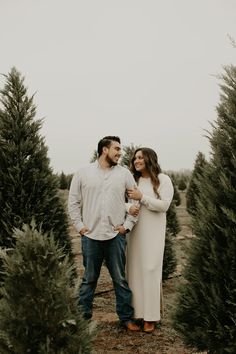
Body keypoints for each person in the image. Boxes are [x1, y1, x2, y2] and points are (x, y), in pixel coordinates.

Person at [68, 136, 140, 331]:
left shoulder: (124, 174)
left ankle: (126, 318)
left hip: (115, 236)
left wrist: (127, 226)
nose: (120, 153)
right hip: (90, 236)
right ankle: (82, 319)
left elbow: (135, 201)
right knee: (89, 279)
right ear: (104, 150)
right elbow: (73, 202)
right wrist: (80, 226)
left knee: (119, 279)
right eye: (116, 149)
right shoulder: (83, 173)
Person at [126, 147, 174, 333]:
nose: (136, 160)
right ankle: (137, 313)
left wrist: (142, 198)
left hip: (153, 232)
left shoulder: (163, 179)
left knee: (151, 269)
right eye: (135, 158)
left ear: (149, 159)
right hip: (135, 232)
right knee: (134, 271)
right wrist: (128, 208)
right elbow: (122, 202)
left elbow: (164, 205)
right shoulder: (132, 181)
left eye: (140, 157)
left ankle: (151, 317)